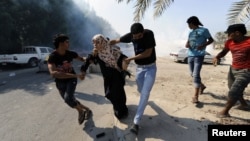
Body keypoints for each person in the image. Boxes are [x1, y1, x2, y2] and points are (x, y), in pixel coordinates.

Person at [109, 23, 157, 135]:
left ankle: (136, 122)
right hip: (139, 69)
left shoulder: (149, 34)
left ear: (143, 31)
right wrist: (106, 44)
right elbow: (116, 40)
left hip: (150, 68)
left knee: (145, 93)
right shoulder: (131, 36)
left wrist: (129, 59)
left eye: (139, 36)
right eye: (134, 37)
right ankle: (145, 100)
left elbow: (147, 53)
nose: (137, 39)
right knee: (141, 91)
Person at [80, 34, 129, 120]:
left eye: (97, 43)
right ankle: (118, 107)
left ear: (103, 42)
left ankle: (121, 110)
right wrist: (83, 70)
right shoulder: (96, 53)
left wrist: (125, 62)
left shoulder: (112, 50)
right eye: (94, 43)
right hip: (107, 78)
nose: (95, 45)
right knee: (109, 94)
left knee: (119, 94)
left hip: (117, 76)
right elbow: (88, 60)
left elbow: (123, 57)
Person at [47, 34, 91, 125]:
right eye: (67, 42)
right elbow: (53, 73)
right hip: (60, 82)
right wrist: (77, 75)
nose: (69, 44)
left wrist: (91, 58)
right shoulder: (52, 56)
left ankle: (80, 112)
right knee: (70, 100)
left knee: (68, 99)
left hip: (71, 79)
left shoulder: (71, 53)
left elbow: (82, 59)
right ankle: (87, 109)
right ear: (61, 43)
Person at [213, 23, 250, 118]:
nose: (228, 35)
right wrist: (217, 57)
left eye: (229, 33)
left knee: (234, 91)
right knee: (232, 88)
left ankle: (225, 111)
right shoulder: (229, 42)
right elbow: (224, 51)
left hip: (246, 71)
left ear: (237, 33)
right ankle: (244, 104)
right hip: (233, 69)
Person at [185, 16, 214, 103]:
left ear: (192, 23)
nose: (188, 26)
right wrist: (187, 44)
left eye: (188, 24)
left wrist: (203, 45)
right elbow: (188, 41)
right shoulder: (190, 32)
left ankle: (195, 96)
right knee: (192, 74)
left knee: (196, 74)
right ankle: (202, 86)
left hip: (199, 55)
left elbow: (211, 40)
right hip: (190, 55)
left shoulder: (204, 30)